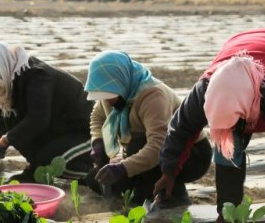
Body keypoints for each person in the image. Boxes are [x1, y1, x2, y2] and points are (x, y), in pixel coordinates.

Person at [155, 27, 265, 223]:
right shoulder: (203, 92)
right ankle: (227, 215)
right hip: (240, 45)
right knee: (227, 148)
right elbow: (179, 130)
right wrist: (169, 172)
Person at [82, 51, 212, 208]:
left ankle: (173, 196)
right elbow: (97, 117)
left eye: (110, 94)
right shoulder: (111, 96)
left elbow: (158, 146)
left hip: (189, 153)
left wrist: (123, 167)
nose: (107, 101)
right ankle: (147, 189)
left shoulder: (153, 96)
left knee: (137, 148)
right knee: (98, 181)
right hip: (145, 147)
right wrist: (98, 142)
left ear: (121, 82)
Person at [0, 41, 94, 182]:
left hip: (87, 133)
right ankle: (36, 169)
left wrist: (4, 141)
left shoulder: (38, 76)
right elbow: (6, 124)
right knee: (19, 134)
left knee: (49, 160)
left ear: (0, 70)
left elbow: (38, 119)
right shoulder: (11, 83)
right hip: (61, 131)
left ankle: (92, 175)